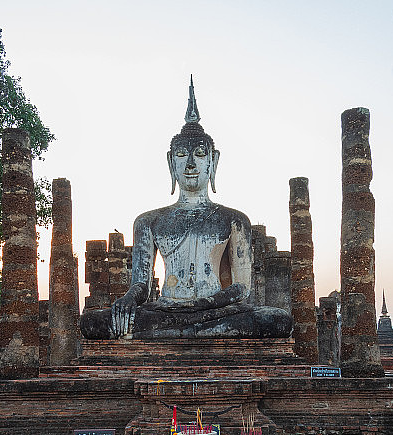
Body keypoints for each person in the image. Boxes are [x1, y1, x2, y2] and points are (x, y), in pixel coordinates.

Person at [80, 79, 293, 340]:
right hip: (166, 309)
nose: (190, 164)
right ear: (171, 162)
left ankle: (180, 331)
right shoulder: (149, 221)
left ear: (213, 162)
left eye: (200, 154)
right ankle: (186, 330)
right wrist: (127, 300)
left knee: (277, 320)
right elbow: (142, 285)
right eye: (182, 155)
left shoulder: (234, 220)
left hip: (216, 310)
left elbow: (241, 287)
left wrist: (201, 304)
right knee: (93, 322)